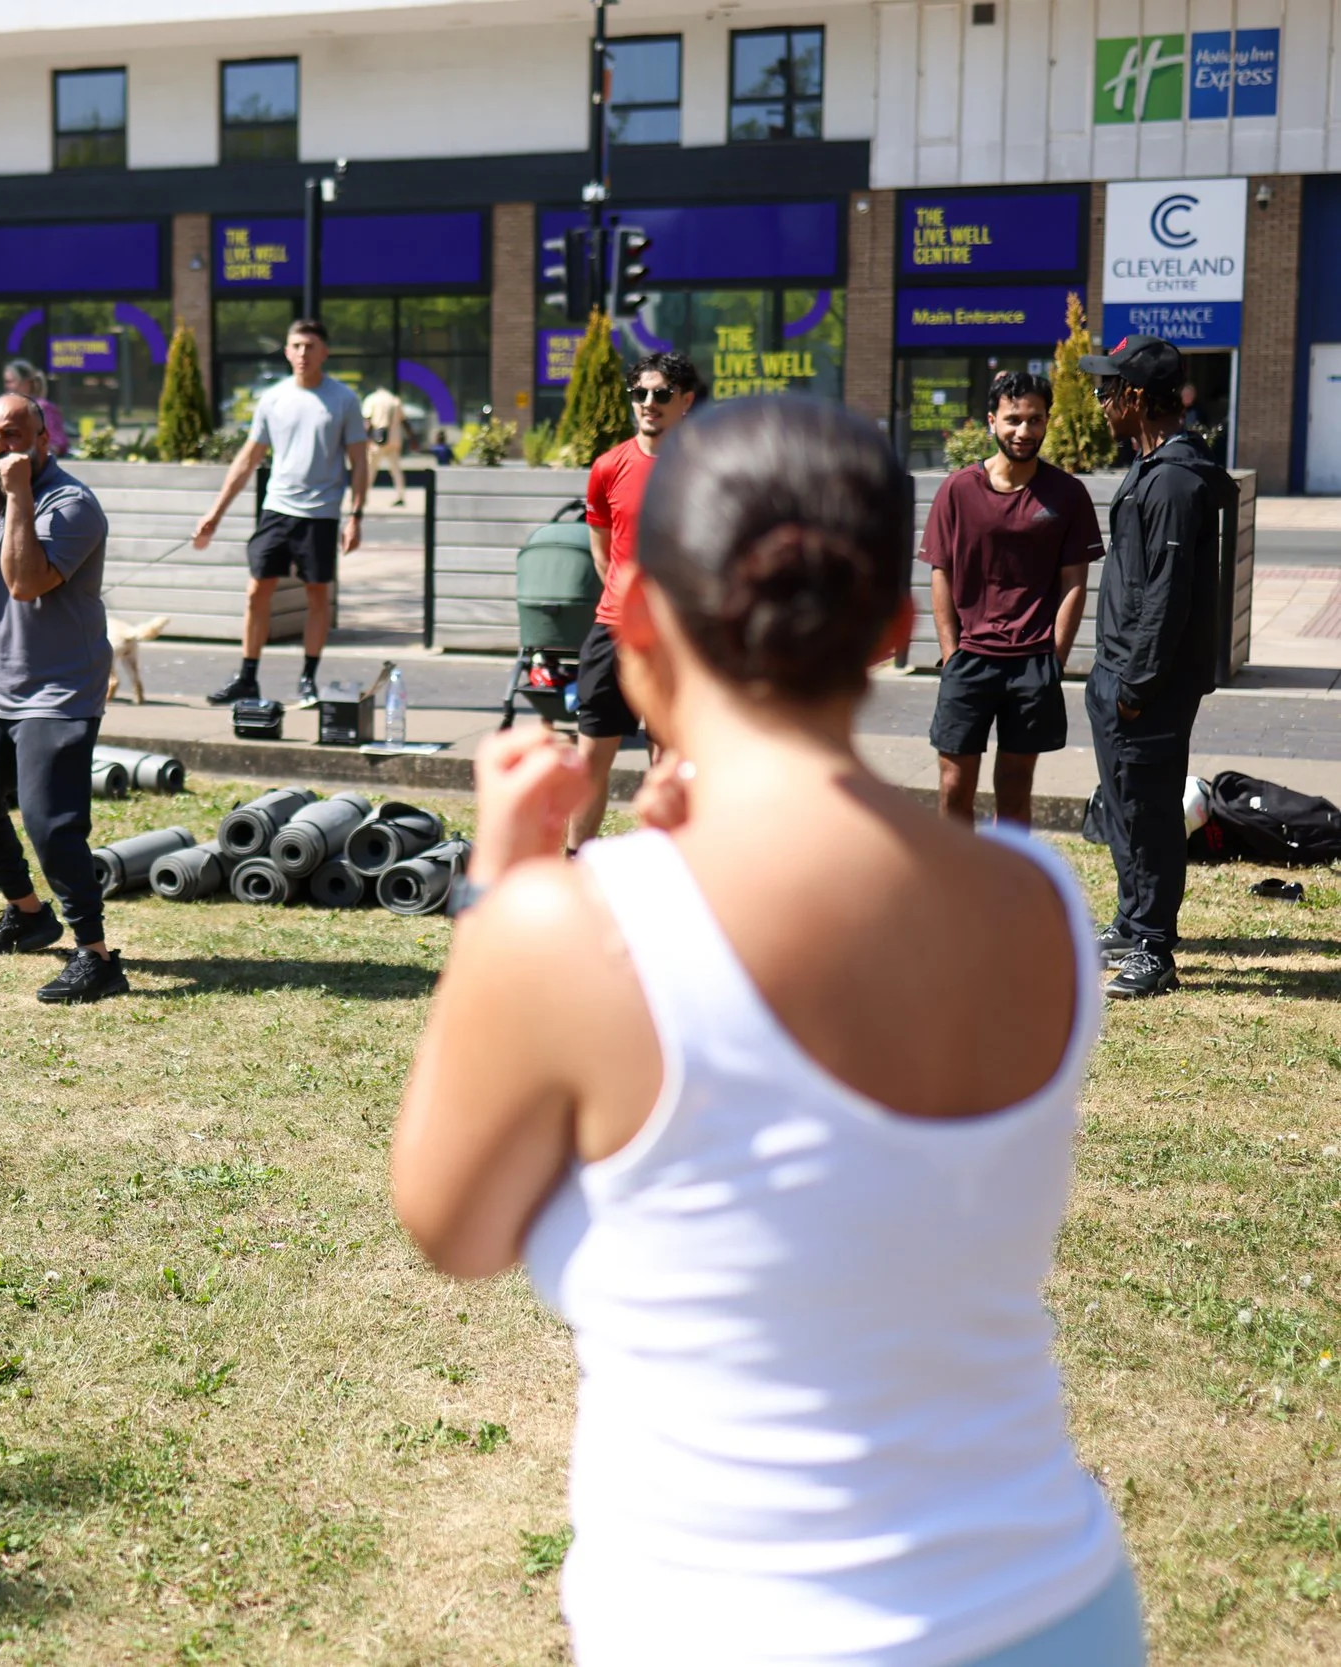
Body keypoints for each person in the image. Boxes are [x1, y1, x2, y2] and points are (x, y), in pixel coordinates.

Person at [391, 396, 1141, 1667]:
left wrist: (501, 891)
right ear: (899, 629)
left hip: (733, 1618)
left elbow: (451, 1225)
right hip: (1053, 1599)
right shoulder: (1043, 902)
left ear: (638, 633)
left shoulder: (579, 926)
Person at [0, 393, 127, 1005]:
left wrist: (16, 495)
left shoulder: (72, 504)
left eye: (13, 435)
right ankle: (28, 912)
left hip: (60, 691)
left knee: (51, 823)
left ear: (44, 440)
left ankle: (95, 956)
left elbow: (24, 582)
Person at [1080, 334, 1235, 1000]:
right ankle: (1130, 920)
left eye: (1107, 389)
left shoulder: (1173, 480)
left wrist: (1137, 684)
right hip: (1120, 674)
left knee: (1147, 814)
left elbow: (1169, 595)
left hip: (1146, 684)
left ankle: (1153, 947)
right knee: (1125, 806)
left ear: (1137, 397)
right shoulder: (1152, 465)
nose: (1101, 402)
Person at [923, 370, 1102, 826]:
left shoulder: (1068, 494)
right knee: (953, 787)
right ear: (992, 421)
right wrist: (950, 655)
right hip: (969, 662)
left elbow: (1074, 584)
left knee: (1016, 793)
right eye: (1013, 419)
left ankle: (1007, 892)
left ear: (1047, 422)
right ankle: (953, 884)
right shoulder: (958, 490)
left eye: (1035, 420)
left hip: (1032, 665)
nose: (1024, 431)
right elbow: (939, 572)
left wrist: (1054, 660)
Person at [192, 318, 370, 707]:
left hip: (321, 514)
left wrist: (356, 515)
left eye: (310, 346)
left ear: (324, 352)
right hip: (277, 509)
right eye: (296, 346)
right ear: (287, 351)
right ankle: (248, 677)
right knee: (257, 590)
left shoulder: (344, 400)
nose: (303, 353)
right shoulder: (272, 398)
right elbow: (248, 458)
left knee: (317, 595)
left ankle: (308, 678)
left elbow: (359, 462)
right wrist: (215, 512)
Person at [567, 351, 699, 850]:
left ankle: (668, 869)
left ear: (685, 401)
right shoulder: (607, 466)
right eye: (640, 393)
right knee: (589, 761)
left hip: (675, 637)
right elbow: (603, 553)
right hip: (613, 632)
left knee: (668, 764)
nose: (648, 402)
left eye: (662, 394)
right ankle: (577, 858)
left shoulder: (702, 467)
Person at [3, 356, 68, 457]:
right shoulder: (6, 408)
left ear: (26, 383)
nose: (6, 387)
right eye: (5, 382)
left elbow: (58, 443)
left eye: (10, 382)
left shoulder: (43, 408)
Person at [362, 384, 410, 506]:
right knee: (396, 470)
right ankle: (400, 495)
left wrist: (364, 438)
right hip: (393, 440)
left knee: (370, 470)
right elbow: (404, 421)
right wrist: (412, 438)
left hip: (375, 441)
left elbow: (367, 421)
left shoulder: (372, 399)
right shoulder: (395, 400)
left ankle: (363, 496)